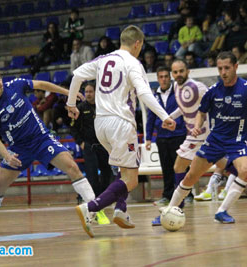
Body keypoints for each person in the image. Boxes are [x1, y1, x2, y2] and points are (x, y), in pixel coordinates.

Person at [0, 64, 97, 241]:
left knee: (72, 166)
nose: (0, 83)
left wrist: (67, 93)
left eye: (0, 78)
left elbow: (42, 85)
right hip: (18, 149)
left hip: (41, 139)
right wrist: (7, 156)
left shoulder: (15, 85)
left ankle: (95, 207)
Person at [66, 25, 176, 238]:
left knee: (123, 171)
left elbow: (77, 75)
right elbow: (144, 93)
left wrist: (71, 103)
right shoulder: (133, 63)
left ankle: (121, 210)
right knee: (131, 179)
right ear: (137, 44)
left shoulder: (103, 59)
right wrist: (165, 116)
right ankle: (91, 208)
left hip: (101, 124)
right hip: (121, 124)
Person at [167, 51, 247, 224]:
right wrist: (196, 126)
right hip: (214, 141)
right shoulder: (213, 91)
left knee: (245, 170)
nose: (223, 72)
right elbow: (201, 113)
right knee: (190, 177)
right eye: (220, 68)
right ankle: (169, 210)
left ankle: (222, 211)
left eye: (227, 68)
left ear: (236, 67)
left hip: (238, 141)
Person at [150, 59, 209, 226]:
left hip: (203, 135)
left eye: (181, 71)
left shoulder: (198, 87)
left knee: (181, 169)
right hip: (194, 135)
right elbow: (182, 109)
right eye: (175, 72)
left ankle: (174, 208)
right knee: (221, 165)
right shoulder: (177, 87)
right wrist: (170, 118)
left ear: (188, 71)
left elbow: (209, 107)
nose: (178, 75)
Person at [195, 106, 247, 206]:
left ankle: (227, 190)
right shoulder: (244, 124)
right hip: (243, 150)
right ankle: (210, 190)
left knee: (236, 163)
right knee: (220, 162)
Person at [70, 81, 113, 224]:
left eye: (90, 91)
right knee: (92, 175)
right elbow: (73, 127)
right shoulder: (80, 108)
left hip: (103, 146)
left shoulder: (103, 106)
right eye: (86, 92)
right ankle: (95, 205)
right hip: (88, 147)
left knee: (107, 173)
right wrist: (80, 142)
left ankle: (101, 199)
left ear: (96, 92)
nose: (88, 94)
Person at [145, 66, 187, 207]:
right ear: (158, 79)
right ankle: (167, 195)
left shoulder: (178, 92)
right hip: (162, 137)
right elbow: (150, 117)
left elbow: (185, 110)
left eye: (166, 76)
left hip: (179, 135)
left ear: (170, 78)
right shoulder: (153, 96)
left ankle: (186, 194)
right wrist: (148, 138)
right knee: (166, 167)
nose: (163, 79)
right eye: (161, 77)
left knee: (181, 167)